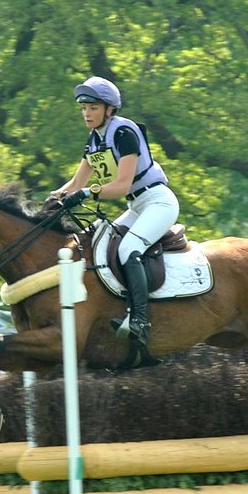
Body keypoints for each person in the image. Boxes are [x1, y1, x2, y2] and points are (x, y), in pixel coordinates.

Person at [52, 76, 179, 355]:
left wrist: (87, 194)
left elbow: (121, 185)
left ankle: (140, 320)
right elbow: (76, 182)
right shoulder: (94, 140)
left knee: (128, 249)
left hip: (158, 202)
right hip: (137, 206)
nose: (86, 113)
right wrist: (53, 198)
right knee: (102, 243)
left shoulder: (124, 133)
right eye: (84, 108)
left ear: (109, 110)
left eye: (93, 108)